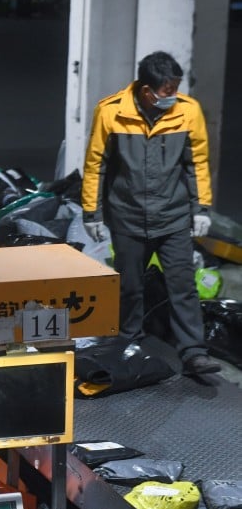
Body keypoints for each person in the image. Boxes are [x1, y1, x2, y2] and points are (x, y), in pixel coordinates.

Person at [81, 50, 218, 376]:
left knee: (183, 286)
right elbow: (95, 165)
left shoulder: (188, 112)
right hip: (127, 216)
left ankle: (193, 352)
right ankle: (129, 342)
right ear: (146, 90)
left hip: (172, 217)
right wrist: (91, 213)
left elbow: (196, 163)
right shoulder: (111, 112)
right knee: (130, 286)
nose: (173, 96)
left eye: (175, 87)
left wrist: (201, 209)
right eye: (167, 90)